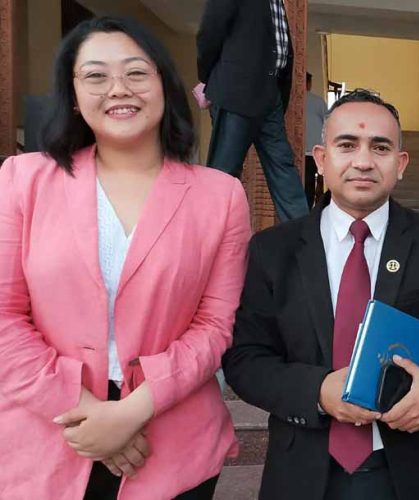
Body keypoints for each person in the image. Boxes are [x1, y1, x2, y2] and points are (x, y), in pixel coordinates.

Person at [0, 16, 251, 499]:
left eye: (136, 72)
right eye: (96, 75)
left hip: (171, 440)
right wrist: (90, 416)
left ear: (164, 86)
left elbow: (216, 325)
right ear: (74, 95)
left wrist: (130, 413)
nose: (118, 88)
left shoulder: (221, 196)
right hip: (48, 433)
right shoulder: (21, 181)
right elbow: (5, 315)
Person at [222, 89, 419, 500]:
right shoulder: (274, 250)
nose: (363, 161)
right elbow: (245, 359)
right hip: (302, 470)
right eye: (347, 145)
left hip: (409, 469)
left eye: (380, 147)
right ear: (320, 158)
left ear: (401, 163)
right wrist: (317, 392)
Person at [197, 0, 309, 222]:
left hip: (271, 95)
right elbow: (210, 31)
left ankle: (303, 234)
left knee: (283, 168)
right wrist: (211, 78)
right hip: (237, 91)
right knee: (223, 173)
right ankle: (211, 234)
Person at [305, 72, 328, 207]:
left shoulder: (291, 100)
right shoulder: (319, 102)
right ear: (309, 84)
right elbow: (328, 124)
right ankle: (313, 208)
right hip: (315, 150)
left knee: (302, 183)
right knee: (314, 183)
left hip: (298, 151)